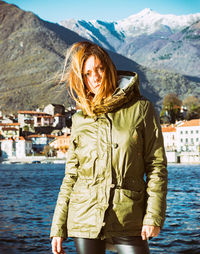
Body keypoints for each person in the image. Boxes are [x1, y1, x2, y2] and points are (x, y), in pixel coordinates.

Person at [50, 41, 168, 254]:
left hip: (128, 216)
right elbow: (71, 177)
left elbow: (156, 166)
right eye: (87, 74)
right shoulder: (79, 120)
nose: (94, 77)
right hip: (84, 217)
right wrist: (58, 227)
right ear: (82, 80)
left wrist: (153, 215)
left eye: (99, 69)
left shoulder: (141, 109)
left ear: (109, 69)